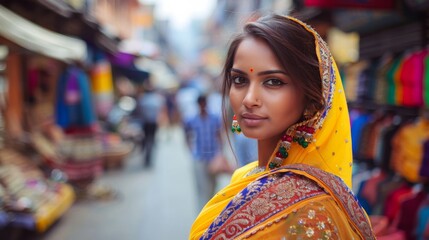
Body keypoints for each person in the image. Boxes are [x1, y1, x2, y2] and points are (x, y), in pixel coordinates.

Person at [190, 15, 376, 239]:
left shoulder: (312, 213)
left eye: (273, 82)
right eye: (240, 80)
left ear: (310, 99)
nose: (249, 99)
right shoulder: (245, 176)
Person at [184, 95, 223, 210]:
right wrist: (191, 150)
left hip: (212, 156)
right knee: (202, 188)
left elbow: (219, 135)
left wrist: (220, 153)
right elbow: (186, 134)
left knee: (213, 186)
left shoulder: (214, 118)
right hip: (200, 157)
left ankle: (211, 211)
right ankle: (203, 213)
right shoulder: (192, 119)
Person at [137, 81, 165, 168]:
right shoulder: (157, 99)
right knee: (151, 139)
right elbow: (160, 112)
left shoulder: (142, 99)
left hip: (145, 123)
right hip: (153, 123)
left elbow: (139, 111)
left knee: (146, 138)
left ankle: (146, 154)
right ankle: (148, 156)